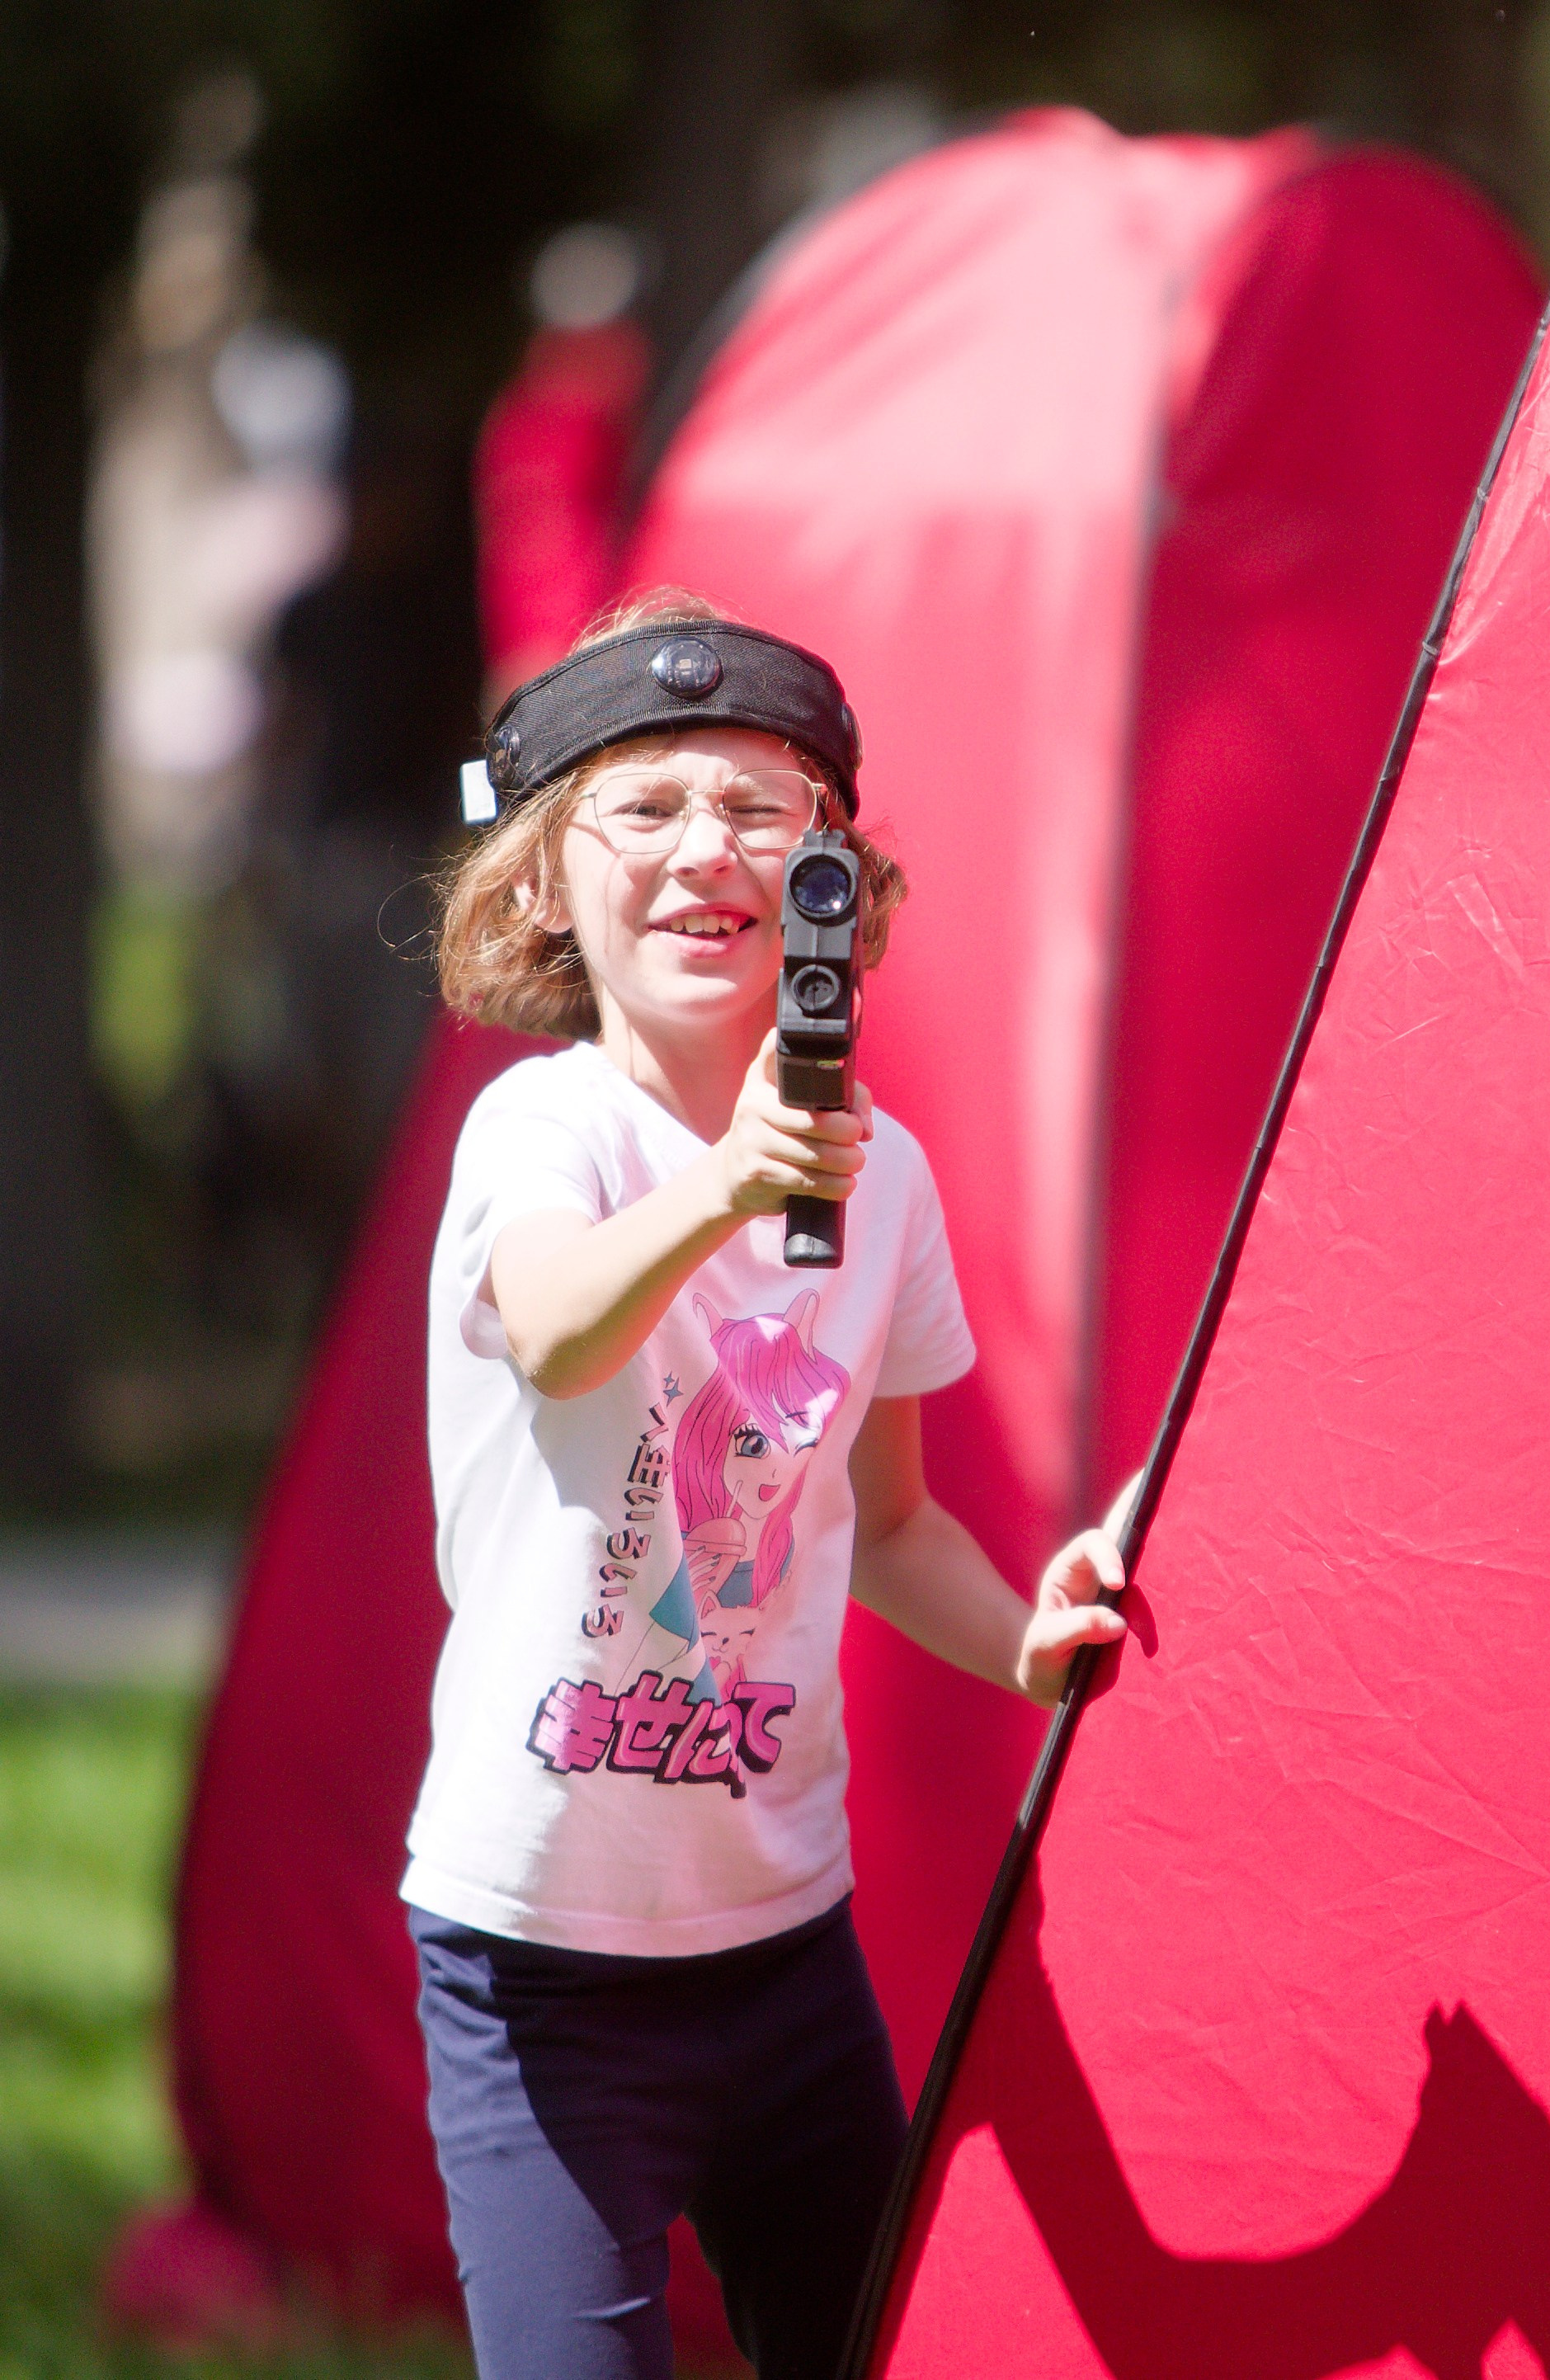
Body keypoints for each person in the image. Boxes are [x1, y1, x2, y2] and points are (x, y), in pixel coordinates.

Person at [403, 591, 1130, 2380]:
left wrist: (1028, 1643)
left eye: (759, 808)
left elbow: (884, 1527)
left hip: (783, 1953)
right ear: (540, 886)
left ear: (831, 888)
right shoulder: (542, 1129)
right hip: (537, 1970)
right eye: (639, 809)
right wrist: (730, 1184)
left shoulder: (883, 1186)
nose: (700, 849)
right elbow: (565, 1331)